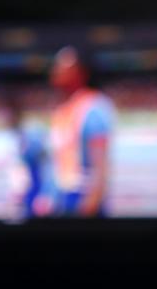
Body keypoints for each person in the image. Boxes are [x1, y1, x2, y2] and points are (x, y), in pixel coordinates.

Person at [45, 46, 114, 217]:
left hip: (83, 201)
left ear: (80, 72)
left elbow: (100, 172)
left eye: (63, 64)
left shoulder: (94, 108)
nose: (56, 69)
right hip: (62, 200)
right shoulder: (61, 110)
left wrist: (87, 211)